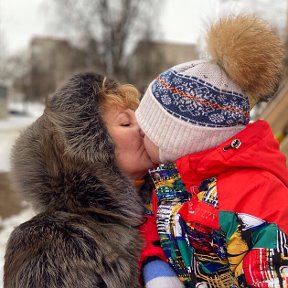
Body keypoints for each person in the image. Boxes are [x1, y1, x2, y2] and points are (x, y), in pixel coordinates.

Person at [135, 15, 288, 287]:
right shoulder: (170, 182)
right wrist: (158, 272)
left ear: (179, 140)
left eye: (147, 129)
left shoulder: (256, 194)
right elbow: (151, 231)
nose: (138, 131)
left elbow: (273, 274)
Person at [4, 72, 156, 288]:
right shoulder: (50, 244)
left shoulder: (174, 204)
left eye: (139, 118)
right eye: (125, 123)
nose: (143, 129)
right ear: (84, 155)